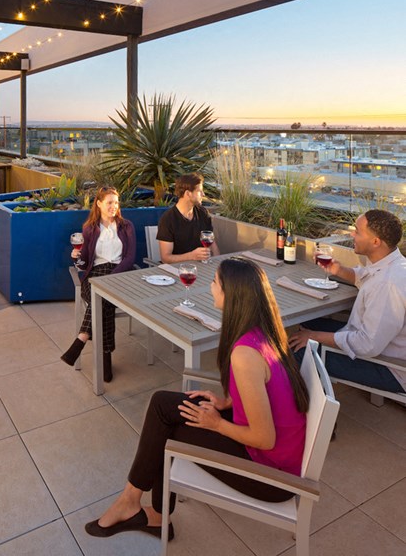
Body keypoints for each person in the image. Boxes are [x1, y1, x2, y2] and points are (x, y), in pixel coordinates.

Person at [85, 257, 309, 541]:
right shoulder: (265, 332)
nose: (210, 286)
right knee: (162, 405)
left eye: (214, 282)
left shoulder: (245, 354)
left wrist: (217, 424)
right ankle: (137, 505)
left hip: (271, 477)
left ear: (231, 295)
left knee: (168, 429)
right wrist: (228, 403)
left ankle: (143, 510)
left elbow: (265, 438)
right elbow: (268, 391)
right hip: (274, 456)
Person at [289, 209, 405, 395]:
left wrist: (314, 336)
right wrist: (337, 269)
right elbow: (366, 277)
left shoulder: (388, 285)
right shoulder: (392, 263)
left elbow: (367, 344)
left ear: (376, 242)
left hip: (389, 367)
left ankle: (304, 409)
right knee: (306, 324)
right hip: (379, 344)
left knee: (298, 352)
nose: (352, 234)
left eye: (357, 231)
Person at [60, 186, 136, 382]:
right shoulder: (89, 228)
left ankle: (82, 339)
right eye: (109, 202)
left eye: (116, 202)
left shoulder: (126, 226)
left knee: (101, 299)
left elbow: (129, 258)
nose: (114, 206)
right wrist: (76, 257)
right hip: (95, 274)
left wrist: (112, 277)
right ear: (99, 204)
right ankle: (105, 356)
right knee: (101, 300)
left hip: (118, 274)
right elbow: (85, 261)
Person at [156, 172, 220, 263]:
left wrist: (218, 264)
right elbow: (165, 258)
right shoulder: (168, 219)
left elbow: (212, 244)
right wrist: (191, 256)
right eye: (199, 191)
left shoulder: (203, 213)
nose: (203, 194)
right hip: (177, 268)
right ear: (188, 193)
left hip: (201, 265)